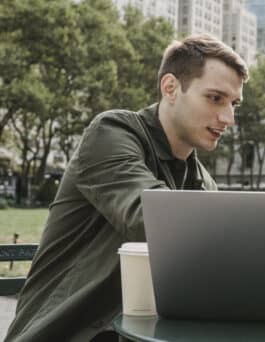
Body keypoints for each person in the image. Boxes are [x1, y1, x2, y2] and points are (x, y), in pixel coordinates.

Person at [6, 34, 248, 342]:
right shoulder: (111, 133)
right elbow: (151, 220)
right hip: (64, 333)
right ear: (170, 88)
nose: (228, 118)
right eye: (215, 98)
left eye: (234, 103)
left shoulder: (201, 180)